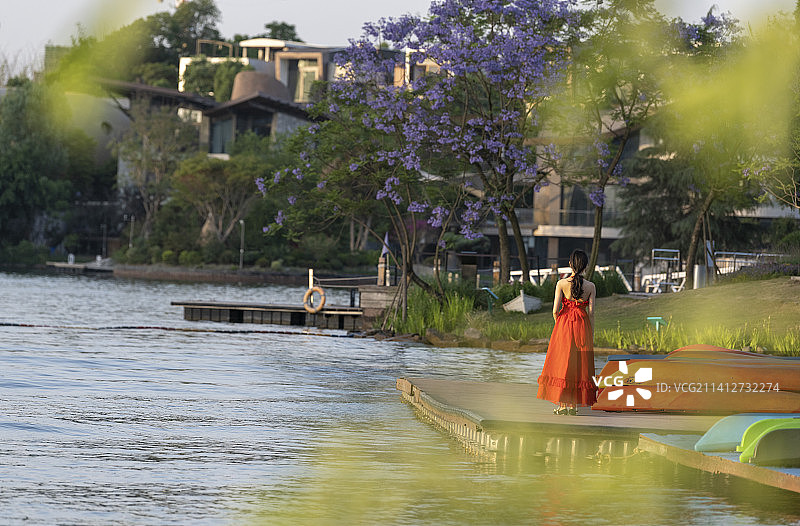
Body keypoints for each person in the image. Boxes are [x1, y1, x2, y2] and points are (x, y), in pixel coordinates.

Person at [537, 249, 598, 415]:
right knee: (579, 364)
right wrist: (590, 332)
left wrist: (560, 326)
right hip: (582, 326)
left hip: (564, 325)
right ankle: (574, 406)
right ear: (585, 266)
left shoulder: (561, 284)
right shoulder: (591, 286)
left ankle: (563, 405)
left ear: (571, 264)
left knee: (563, 363)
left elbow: (555, 310)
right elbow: (591, 313)